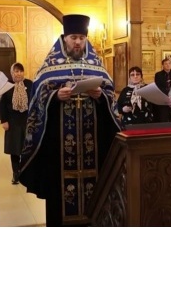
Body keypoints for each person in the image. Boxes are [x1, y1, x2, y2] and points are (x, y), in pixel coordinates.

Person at [19, 14, 121, 226]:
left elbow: (111, 97)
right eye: (73, 37)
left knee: (95, 191)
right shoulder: (49, 66)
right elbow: (37, 100)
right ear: (64, 38)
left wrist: (100, 96)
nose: (77, 42)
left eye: (82, 38)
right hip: (59, 147)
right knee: (59, 196)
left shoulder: (96, 65)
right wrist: (55, 97)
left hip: (92, 146)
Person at [0, 62, 32, 185]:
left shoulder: (30, 84)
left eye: (20, 71)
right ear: (12, 73)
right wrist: (4, 121)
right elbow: (2, 105)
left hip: (27, 121)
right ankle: (16, 174)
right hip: (13, 122)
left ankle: (26, 172)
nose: (18, 74)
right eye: (16, 71)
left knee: (27, 148)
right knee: (14, 149)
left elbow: (35, 101)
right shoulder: (8, 86)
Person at [153, 58, 171, 122]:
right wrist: (167, 94)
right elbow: (158, 86)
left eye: (169, 63)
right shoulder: (158, 75)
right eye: (166, 64)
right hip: (163, 97)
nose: (168, 65)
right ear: (162, 65)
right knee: (164, 117)